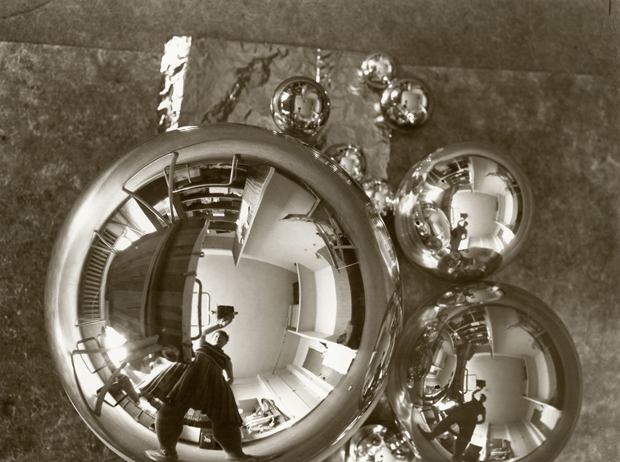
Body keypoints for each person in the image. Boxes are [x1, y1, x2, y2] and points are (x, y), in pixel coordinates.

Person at [143, 314, 257, 462]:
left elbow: (230, 377)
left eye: (222, 337)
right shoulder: (203, 345)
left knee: (225, 417)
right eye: (216, 336)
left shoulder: (226, 359)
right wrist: (219, 326)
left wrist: (224, 388)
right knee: (172, 406)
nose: (218, 337)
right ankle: (167, 452)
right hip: (190, 372)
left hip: (214, 381)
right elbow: (203, 333)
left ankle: (237, 456)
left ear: (225, 342)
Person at [419, 394, 486, 462]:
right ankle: (432, 435)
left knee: (465, 437)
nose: (480, 398)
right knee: (447, 421)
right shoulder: (473, 400)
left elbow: (483, 420)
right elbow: (473, 394)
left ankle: (457, 456)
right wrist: (478, 389)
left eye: (482, 397)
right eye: (480, 396)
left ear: (483, 400)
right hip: (461, 414)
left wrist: (474, 421)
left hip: (469, 421)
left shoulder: (482, 408)